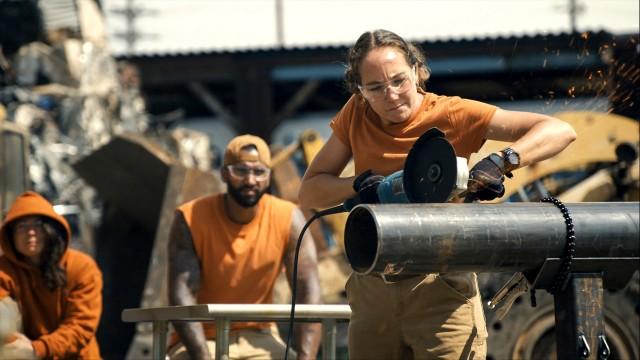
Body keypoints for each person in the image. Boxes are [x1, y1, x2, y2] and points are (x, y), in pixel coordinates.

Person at [298, 29, 577, 359]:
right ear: (359, 90)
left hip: (440, 288)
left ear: (416, 71)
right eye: (375, 88)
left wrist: (501, 161)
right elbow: (310, 192)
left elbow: (561, 130)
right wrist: (359, 185)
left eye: (399, 80)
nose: (390, 94)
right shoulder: (356, 113)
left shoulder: (453, 114)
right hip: (373, 286)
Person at [167, 134, 322, 360]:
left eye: (259, 172)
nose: (250, 180)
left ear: (269, 177)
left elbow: (308, 292)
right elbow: (181, 294)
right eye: (240, 170)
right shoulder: (190, 218)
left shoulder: (289, 218)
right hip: (203, 340)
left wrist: (306, 358)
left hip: (260, 335)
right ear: (224, 174)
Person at [0, 191, 103, 359]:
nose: (30, 232)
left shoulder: (82, 267)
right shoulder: (4, 270)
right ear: (10, 235)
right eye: (22, 226)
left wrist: (37, 349)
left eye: (37, 225)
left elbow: (81, 327)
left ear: (51, 229)